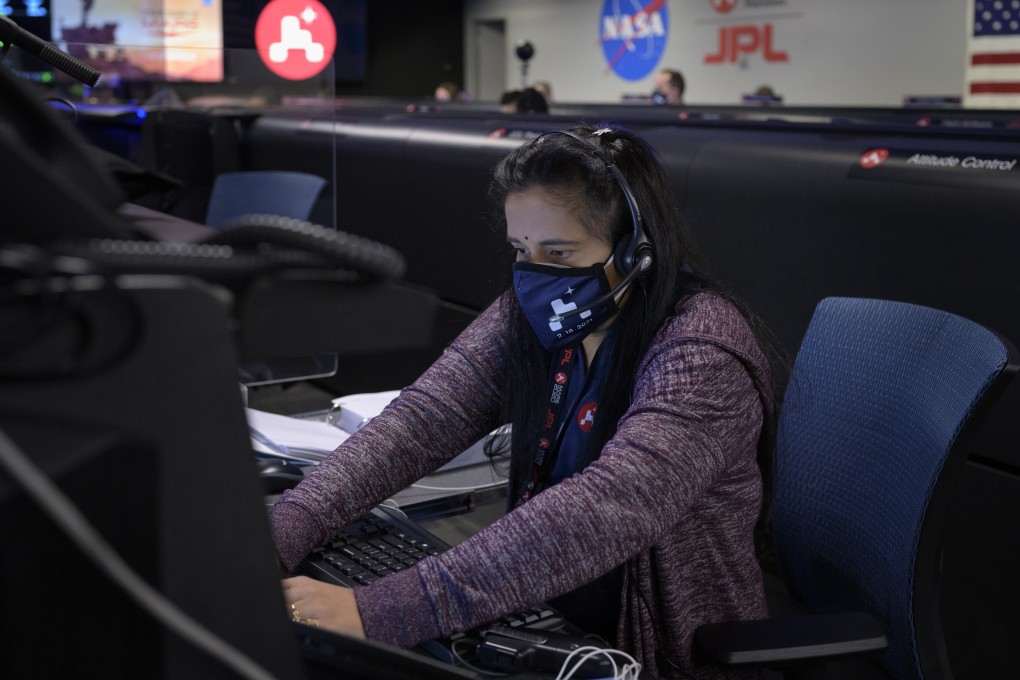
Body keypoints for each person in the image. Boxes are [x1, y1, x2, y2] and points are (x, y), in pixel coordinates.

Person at [272, 125, 780, 678]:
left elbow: (607, 509)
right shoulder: (533, 314)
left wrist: (377, 610)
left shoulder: (701, 351)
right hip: (539, 613)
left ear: (636, 250)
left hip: (657, 655)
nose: (537, 277)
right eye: (522, 250)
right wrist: (286, 528)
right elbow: (424, 419)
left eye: (559, 253)